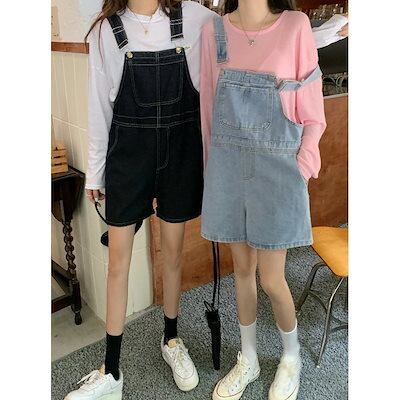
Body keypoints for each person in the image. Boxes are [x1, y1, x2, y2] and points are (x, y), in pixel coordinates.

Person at [64, 1, 344, 399]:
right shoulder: (124, 31)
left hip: (241, 167)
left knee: (242, 271)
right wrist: (97, 172)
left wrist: (300, 165)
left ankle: (259, 353)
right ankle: (122, 369)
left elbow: (285, 52)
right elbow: (110, 107)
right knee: (139, 265)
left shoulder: (208, 20)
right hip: (168, 164)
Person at [64, 1, 214, 399]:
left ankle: (171, 340)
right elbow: (99, 108)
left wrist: (311, 35)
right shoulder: (104, 31)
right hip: (128, 158)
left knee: (173, 254)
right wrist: (95, 173)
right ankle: (111, 371)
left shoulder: (197, 18)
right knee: (117, 263)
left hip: (181, 154)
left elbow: (254, 35)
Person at [200, 1, 326, 400]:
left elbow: (313, 111)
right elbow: (207, 111)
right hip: (227, 168)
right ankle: (249, 358)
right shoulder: (213, 32)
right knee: (242, 270)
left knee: (272, 278)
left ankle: (291, 357)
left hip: (278, 170)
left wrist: (301, 167)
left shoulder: (295, 26)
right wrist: (212, 174)